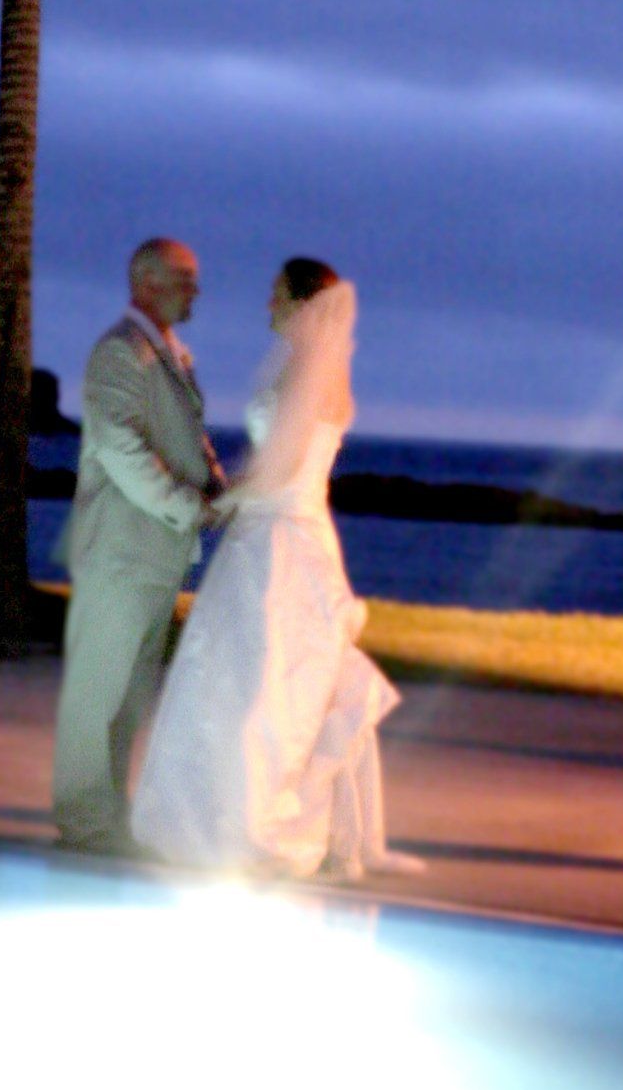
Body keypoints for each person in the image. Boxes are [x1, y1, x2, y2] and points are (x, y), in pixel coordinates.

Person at [131, 257, 425, 882]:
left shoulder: (306, 372)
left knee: (260, 687)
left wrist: (219, 501)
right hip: (292, 532)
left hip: (280, 546)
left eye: (275, 298)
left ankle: (244, 823)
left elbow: (281, 469)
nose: (268, 308)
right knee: (263, 681)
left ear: (299, 304)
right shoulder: (319, 373)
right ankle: (230, 812)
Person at [51, 238, 226, 855]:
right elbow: (122, 447)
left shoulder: (169, 356)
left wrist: (218, 485)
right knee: (98, 692)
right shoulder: (118, 354)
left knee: (129, 697)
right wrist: (187, 505)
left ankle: (108, 817)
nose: (195, 290)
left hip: (155, 556)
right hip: (121, 552)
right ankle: (83, 820)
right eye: (185, 277)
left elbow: (186, 438)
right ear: (146, 282)